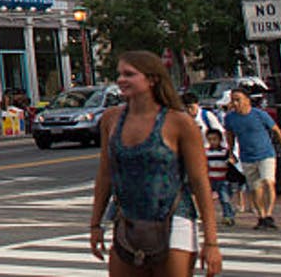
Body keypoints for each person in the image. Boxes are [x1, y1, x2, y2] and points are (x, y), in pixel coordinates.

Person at [87, 51, 221, 275]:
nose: (121, 80)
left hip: (173, 218)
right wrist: (95, 224)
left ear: (152, 79)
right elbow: (105, 175)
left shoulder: (179, 122)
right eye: (120, 74)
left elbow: (199, 182)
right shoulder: (111, 119)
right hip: (128, 220)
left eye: (129, 74)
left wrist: (211, 242)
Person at [223, 89, 281, 230]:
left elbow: (276, 130)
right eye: (233, 100)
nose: (235, 103)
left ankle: (269, 214)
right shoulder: (230, 118)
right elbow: (230, 135)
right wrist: (230, 152)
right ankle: (261, 216)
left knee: (268, 182)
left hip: (265, 153)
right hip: (247, 156)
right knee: (255, 188)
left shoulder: (259, 114)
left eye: (238, 99)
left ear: (247, 100)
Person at [203, 127, 236, 227]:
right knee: (207, 199)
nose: (212, 142)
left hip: (223, 179)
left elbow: (233, 162)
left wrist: (231, 161)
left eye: (215, 139)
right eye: (210, 140)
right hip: (211, 178)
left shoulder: (225, 152)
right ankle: (207, 217)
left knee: (224, 198)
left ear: (220, 140)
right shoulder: (206, 152)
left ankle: (228, 216)